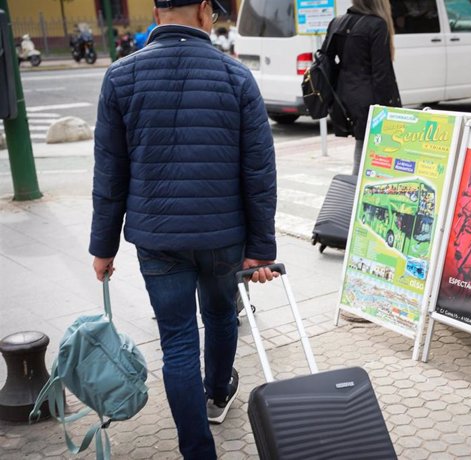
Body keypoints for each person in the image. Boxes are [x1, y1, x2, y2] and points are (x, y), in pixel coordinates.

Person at [89, 0, 278, 458]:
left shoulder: (121, 77)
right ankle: (217, 391)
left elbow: (110, 174)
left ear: (157, 14)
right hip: (223, 236)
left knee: (176, 341)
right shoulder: (236, 77)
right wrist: (261, 248)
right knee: (219, 314)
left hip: (158, 240)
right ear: (203, 13)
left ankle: (198, 450)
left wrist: (103, 247)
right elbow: (259, 172)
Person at [325, 0, 401, 175]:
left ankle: (356, 190)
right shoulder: (377, 25)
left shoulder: (337, 22)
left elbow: (326, 62)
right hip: (370, 99)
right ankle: (357, 194)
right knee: (373, 155)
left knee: (362, 147)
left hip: (343, 97)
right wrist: (390, 111)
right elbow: (382, 74)